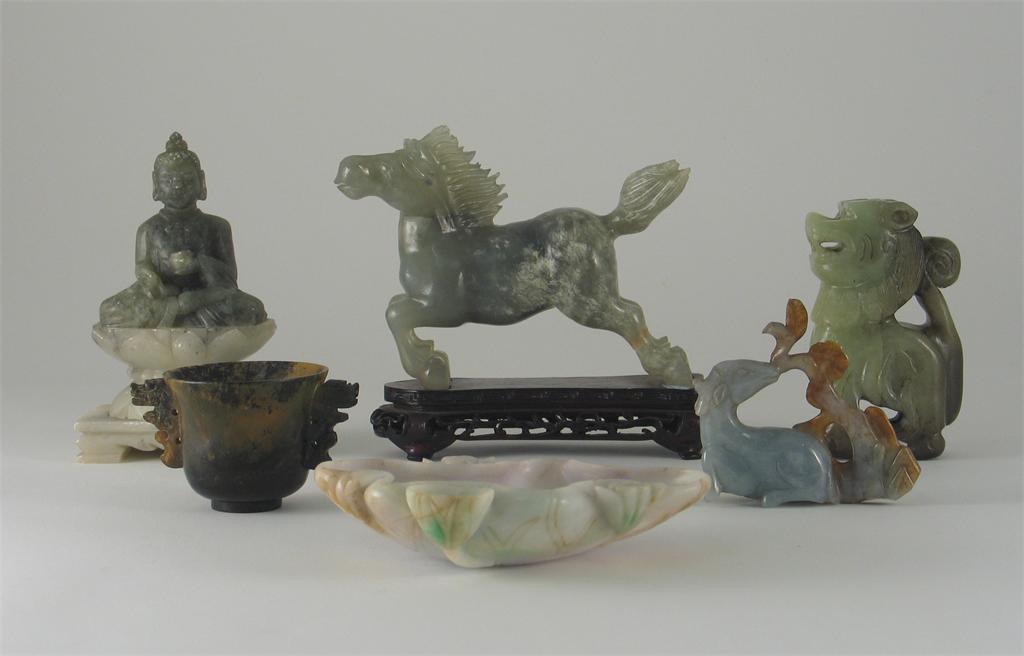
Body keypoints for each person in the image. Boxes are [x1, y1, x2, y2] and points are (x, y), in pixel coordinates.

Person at [99, 133, 267, 328]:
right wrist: (150, 278)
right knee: (110, 310)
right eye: (168, 180)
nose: (178, 185)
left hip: (206, 296)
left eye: (186, 179)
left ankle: (175, 317)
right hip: (165, 296)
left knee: (253, 308)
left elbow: (229, 278)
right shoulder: (148, 228)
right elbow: (142, 266)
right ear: (155, 184)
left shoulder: (217, 226)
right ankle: (183, 314)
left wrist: (198, 263)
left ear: (201, 182)